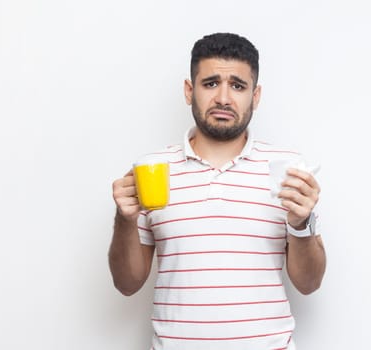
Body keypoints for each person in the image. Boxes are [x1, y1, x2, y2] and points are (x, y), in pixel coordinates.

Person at [109, 32, 326, 350]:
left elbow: (309, 284)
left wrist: (301, 223)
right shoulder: (151, 170)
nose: (223, 98)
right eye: (210, 83)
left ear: (256, 95)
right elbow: (126, 284)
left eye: (238, 86)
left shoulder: (288, 170)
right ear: (189, 90)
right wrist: (124, 220)